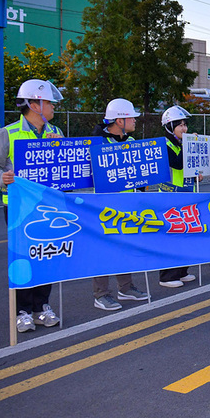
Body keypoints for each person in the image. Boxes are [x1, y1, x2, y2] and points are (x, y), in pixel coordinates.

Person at [0, 78, 65, 333]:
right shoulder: (7, 133)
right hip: (19, 207)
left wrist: (58, 146)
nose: (53, 107)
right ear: (34, 104)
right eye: (49, 102)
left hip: (48, 205)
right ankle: (23, 311)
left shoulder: (57, 133)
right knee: (24, 257)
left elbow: (65, 169)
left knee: (46, 254)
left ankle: (42, 307)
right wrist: (2, 178)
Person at [91, 98, 151, 311]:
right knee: (106, 248)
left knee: (126, 246)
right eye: (131, 117)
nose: (135, 120)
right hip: (106, 206)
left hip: (129, 204)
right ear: (118, 120)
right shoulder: (97, 143)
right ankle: (101, 294)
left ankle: (125, 287)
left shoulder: (132, 142)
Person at [157, 105, 199, 288]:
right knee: (172, 237)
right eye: (180, 125)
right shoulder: (164, 144)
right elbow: (178, 164)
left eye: (185, 125)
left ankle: (182, 271)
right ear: (169, 126)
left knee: (186, 234)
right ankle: (167, 276)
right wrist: (189, 144)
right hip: (169, 196)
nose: (184, 129)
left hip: (185, 193)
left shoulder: (179, 143)